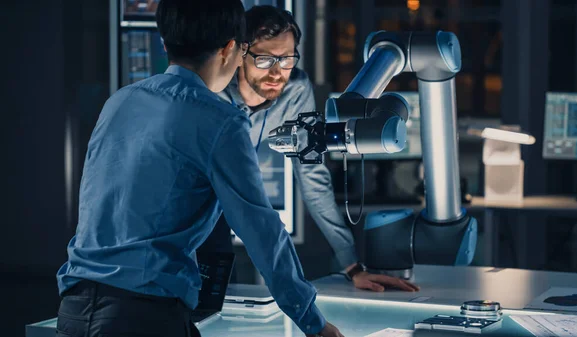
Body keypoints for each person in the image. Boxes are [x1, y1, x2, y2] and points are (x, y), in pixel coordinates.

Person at [54, 1, 344, 336]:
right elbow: (262, 232)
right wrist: (314, 323)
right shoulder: (220, 122)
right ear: (232, 49)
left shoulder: (119, 101)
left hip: (74, 308)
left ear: (165, 44)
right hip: (141, 315)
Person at [203, 5, 420, 293]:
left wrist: (352, 265)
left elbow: (313, 178)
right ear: (241, 53)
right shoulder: (209, 91)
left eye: (287, 59)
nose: (278, 72)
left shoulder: (295, 90)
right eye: (266, 59)